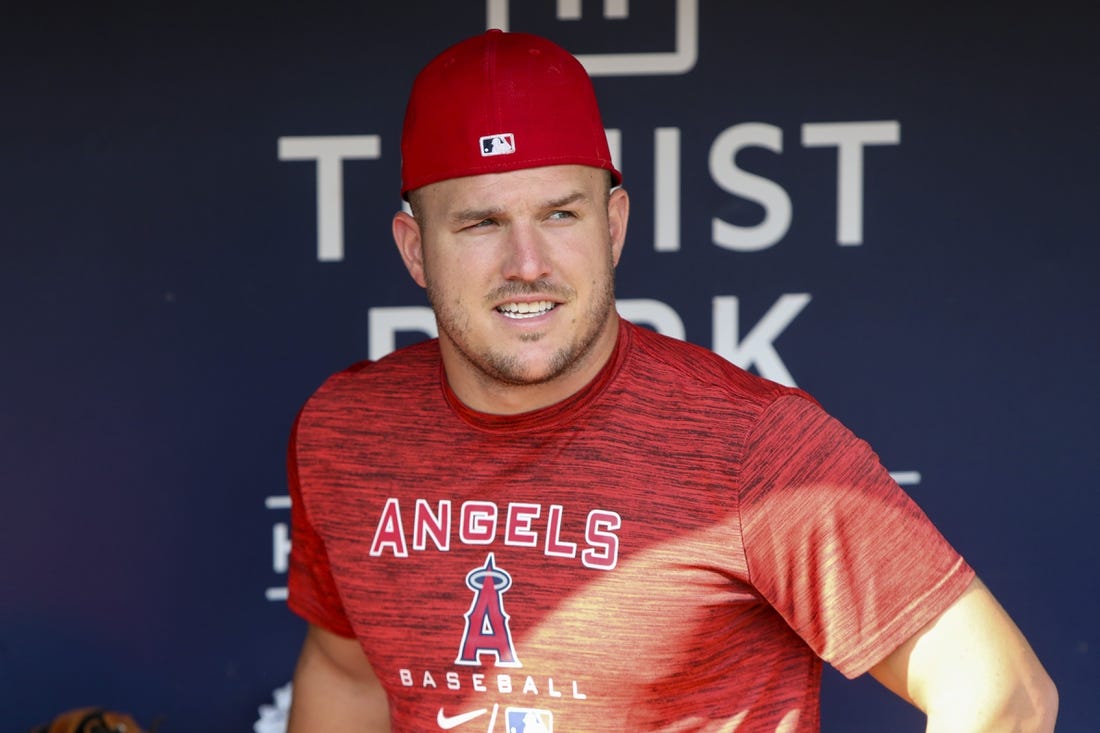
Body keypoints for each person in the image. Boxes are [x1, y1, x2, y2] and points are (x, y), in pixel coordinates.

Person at [284, 29, 1057, 733]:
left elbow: (1002, 693)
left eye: (560, 215)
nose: (527, 263)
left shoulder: (754, 446)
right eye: (481, 223)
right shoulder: (346, 432)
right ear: (415, 250)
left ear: (613, 225)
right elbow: (347, 675)